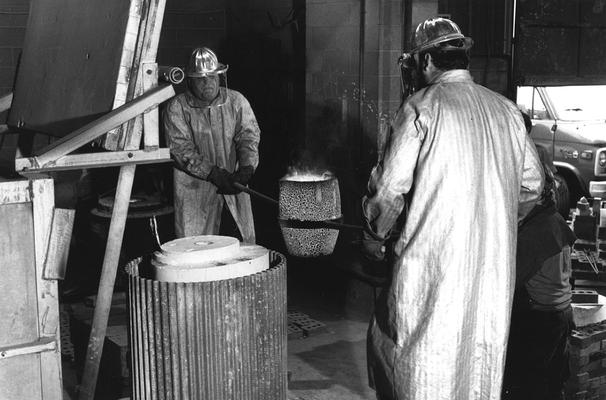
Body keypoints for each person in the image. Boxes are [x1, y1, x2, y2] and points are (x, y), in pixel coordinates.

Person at [360, 18, 544, 400]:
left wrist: (375, 233)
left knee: (415, 354)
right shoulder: (507, 112)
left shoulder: (420, 108)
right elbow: (532, 186)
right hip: (490, 267)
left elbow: (390, 189)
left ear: (426, 61)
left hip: (432, 263)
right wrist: (495, 221)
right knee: (477, 359)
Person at [501, 112, 576, 400]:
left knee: (524, 387)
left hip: (538, 321)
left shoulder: (533, 234)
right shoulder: (555, 221)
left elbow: (511, 283)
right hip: (560, 317)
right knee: (550, 386)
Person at [163, 47, 260, 243]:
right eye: (201, 78)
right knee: (196, 250)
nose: (208, 83)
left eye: (212, 77)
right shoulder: (177, 108)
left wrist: (247, 167)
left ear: (220, 76)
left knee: (242, 247)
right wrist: (212, 173)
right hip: (196, 190)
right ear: (190, 80)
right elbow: (181, 149)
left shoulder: (236, 101)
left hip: (234, 183)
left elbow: (248, 136)